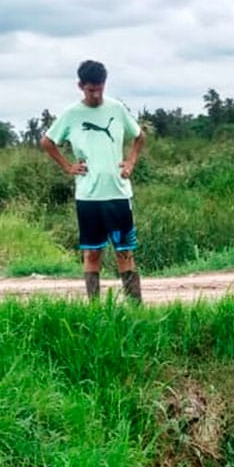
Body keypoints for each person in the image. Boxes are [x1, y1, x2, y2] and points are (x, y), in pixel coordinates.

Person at [41, 60, 145, 302]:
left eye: (100, 88)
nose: (96, 94)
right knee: (92, 253)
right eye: (91, 90)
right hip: (88, 196)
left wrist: (130, 162)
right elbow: (47, 142)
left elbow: (139, 136)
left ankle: (136, 307)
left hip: (118, 194)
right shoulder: (71, 114)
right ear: (80, 86)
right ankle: (94, 308)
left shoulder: (117, 109)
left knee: (125, 252)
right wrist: (67, 166)